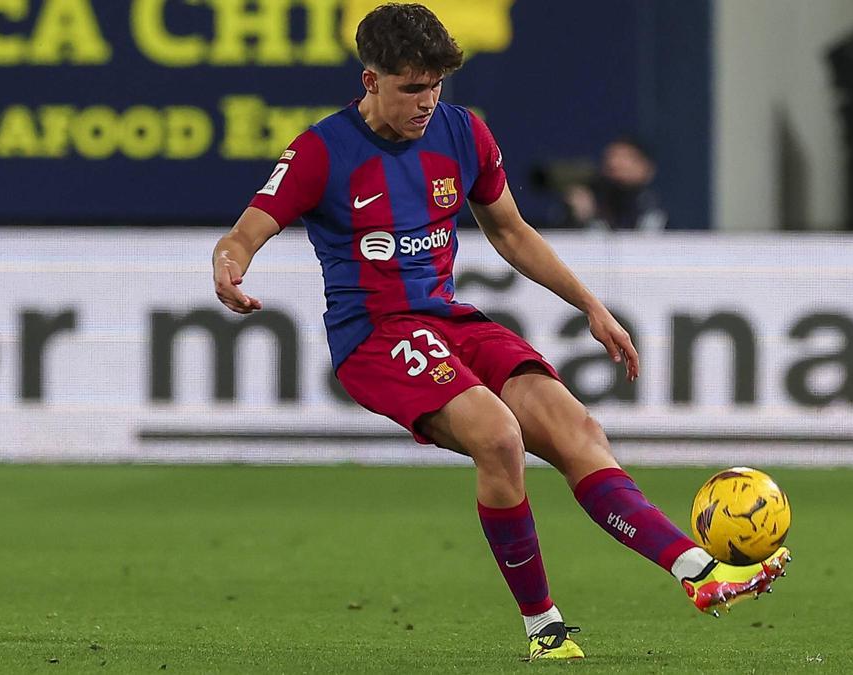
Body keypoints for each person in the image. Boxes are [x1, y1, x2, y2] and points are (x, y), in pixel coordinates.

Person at [211, 3, 788, 661]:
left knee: (578, 431)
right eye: (410, 88)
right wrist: (229, 267)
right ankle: (544, 626)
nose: (426, 101)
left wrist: (590, 305)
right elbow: (247, 230)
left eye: (434, 85)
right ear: (370, 81)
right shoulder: (322, 150)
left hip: (450, 321)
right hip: (376, 336)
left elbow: (510, 231)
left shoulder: (462, 133)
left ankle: (701, 572)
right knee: (499, 436)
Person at [557, 136, 669, 232]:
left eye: (627, 158)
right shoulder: (590, 202)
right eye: (612, 158)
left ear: (647, 168)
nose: (616, 164)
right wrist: (580, 220)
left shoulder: (655, 208)